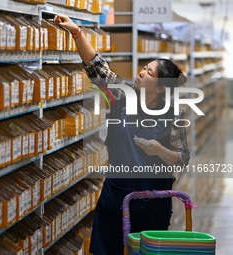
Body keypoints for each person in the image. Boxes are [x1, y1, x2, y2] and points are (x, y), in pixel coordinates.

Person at [54, 15, 191, 255]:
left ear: (160, 87)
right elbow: (96, 67)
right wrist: (77, 32)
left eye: (149, 72)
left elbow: (182, 158)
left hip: (153, 203)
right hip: (116, 196)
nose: (141, 72)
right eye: (144, 68)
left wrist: (159, 150)